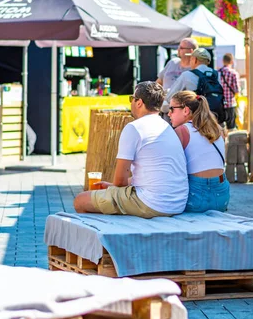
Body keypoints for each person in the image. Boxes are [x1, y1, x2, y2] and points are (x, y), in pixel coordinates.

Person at [74, 81, 188, 218]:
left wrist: (113, 188)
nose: (131, 103)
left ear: (139, 102)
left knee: (80, 201)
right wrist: (112, 186)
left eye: (131, 99)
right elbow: (150, 176)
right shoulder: (167, 127)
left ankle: (106, 234)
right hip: (177, 203)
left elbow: (120, 182)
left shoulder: (134, 128)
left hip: (152, 203)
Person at [168, 91, 230, 213]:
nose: (169, 113)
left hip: (195, 195)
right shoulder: (217, 129)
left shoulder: (182, 131)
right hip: (222, 195)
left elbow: (170, 168)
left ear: (185, 110)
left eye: (172, 109)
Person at [165, 47, 225, 124]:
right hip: (215, 117)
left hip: (196, 120)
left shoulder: (187, 75)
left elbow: (170, 97)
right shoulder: (216, 75)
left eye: (191, 59)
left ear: (195, 60)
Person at [218, 53, 240, 130]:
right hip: (230, 103)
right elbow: (237, 90)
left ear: (223, 61)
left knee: (220, 128)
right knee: (231, 128)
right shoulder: (234, 73)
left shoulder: (218, 72)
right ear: (232, 61)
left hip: (219, 104)